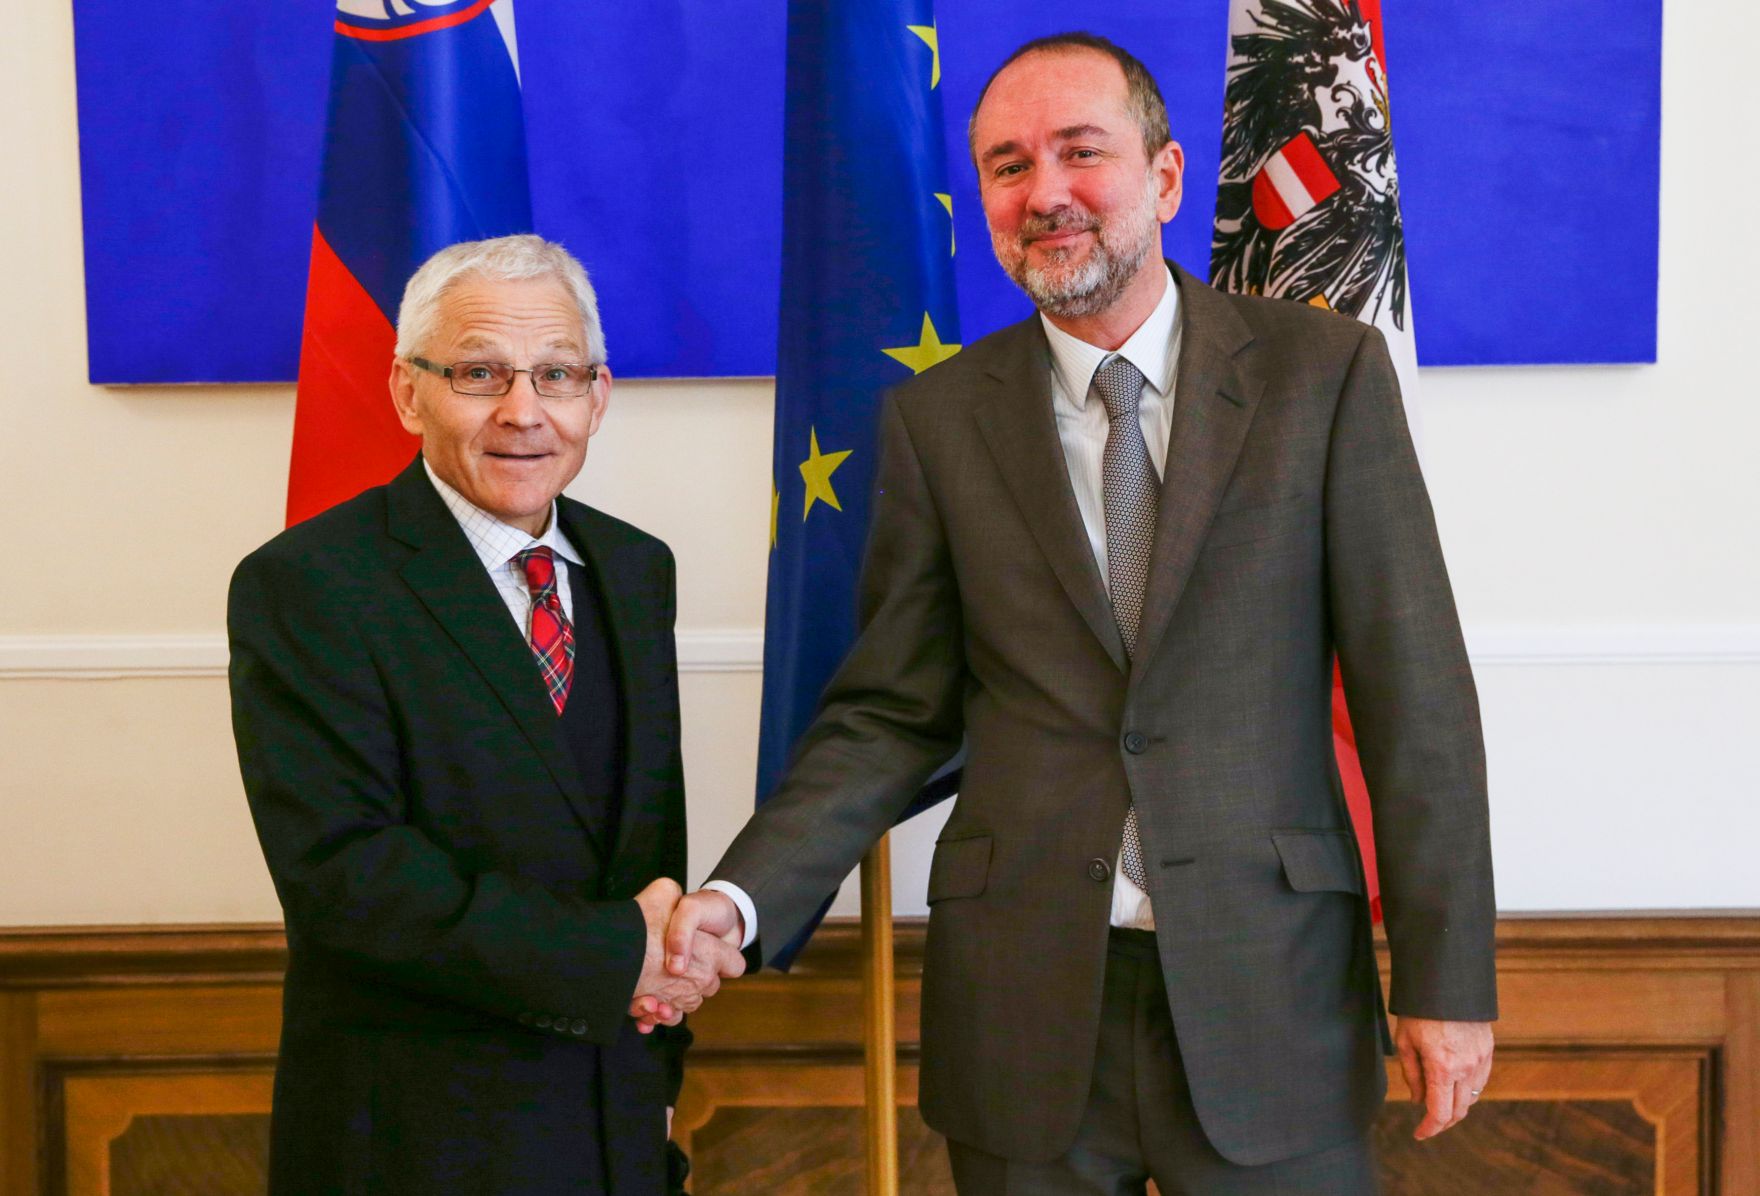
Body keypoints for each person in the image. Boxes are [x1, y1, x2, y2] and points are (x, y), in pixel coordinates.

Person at [664, 33, 1496, 1193]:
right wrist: (738, 897)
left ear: (1164, 176)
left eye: (1079, 151)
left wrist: (1446, 980)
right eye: (1007, 166)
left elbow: (1416, 699)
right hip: (1022, 1010)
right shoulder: (937, 421)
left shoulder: (1322, 374)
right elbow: (887, 714)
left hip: (1274, 997)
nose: (1043, 191)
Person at [228, 234, 742, 1195]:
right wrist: (617, 955)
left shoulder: (637, 569)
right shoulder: (308, 583)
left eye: (557, 374)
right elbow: (347, 878)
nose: (523, 411)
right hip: (415, 1138)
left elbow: (646, 845)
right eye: (479, 373)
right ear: (407, 392)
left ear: (598, 397)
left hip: (616, 1116)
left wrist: (657, 1068)